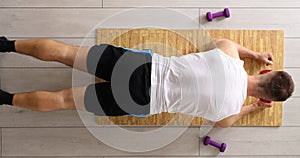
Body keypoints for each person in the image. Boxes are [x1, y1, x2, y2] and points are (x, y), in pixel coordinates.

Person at [0, 36, 294, 128]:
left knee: (66, 53)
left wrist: (254, 52)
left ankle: (5, 44)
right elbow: (223, 124)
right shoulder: (228, 116)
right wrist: (253, 108)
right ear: (269, 99)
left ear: (266, 72)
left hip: (141, 67)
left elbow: (219, 40)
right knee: (64, 100)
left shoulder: (229, 53)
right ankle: (3, 98)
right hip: (141, 101)